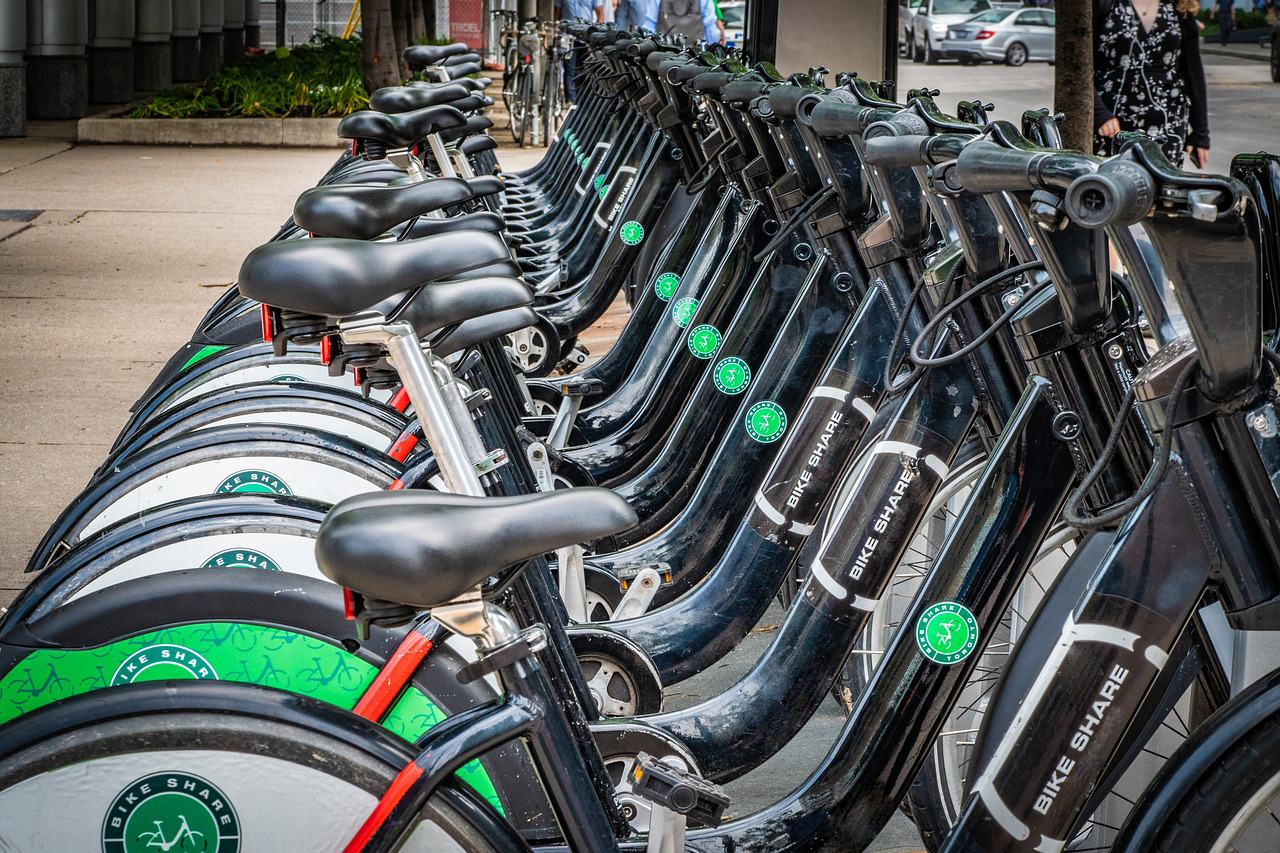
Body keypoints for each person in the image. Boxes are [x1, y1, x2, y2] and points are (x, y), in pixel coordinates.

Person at [1094, 0, 1210, 169]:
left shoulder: (1180, 7)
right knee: (1111, 188)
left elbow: (1193, 72)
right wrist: (1098, 113)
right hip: (1112, 123)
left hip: (1168, 124)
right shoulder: (1103, 4)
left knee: (1163, 190)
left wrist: (1201, 134)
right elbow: (1079, 67)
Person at [555, 0, 605, 104]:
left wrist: (596, 32)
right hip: (568, 36)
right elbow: (557, 12)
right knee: (569, 69)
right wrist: (556, 31)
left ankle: (583, 100)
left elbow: (600, 11)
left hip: (585, 37)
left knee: (585, 69)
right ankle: (570, 100)